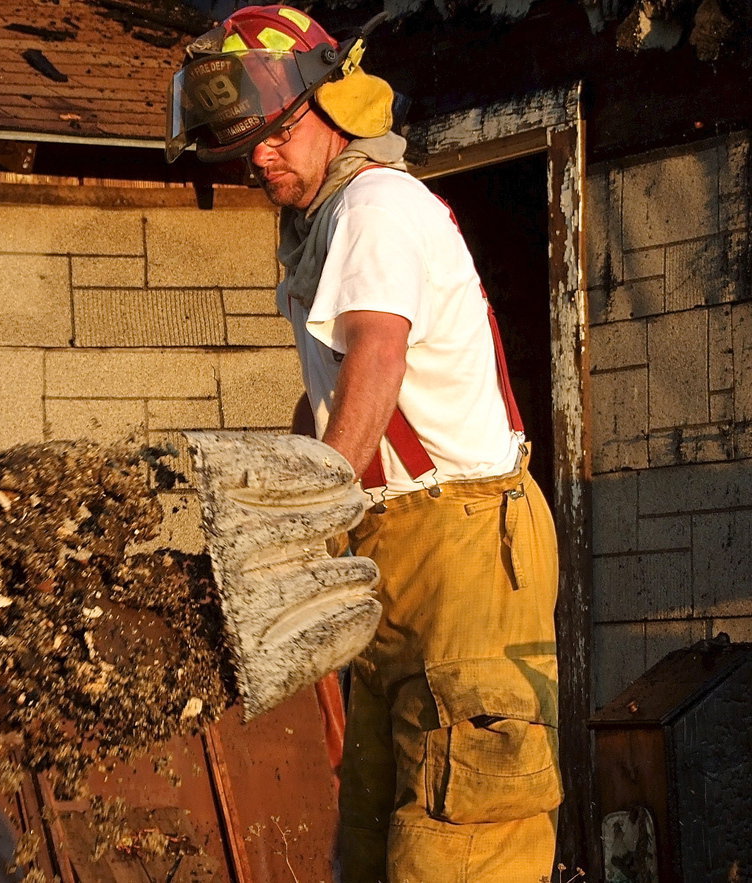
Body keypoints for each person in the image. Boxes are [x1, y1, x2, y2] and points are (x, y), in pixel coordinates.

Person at [166, 6, 562, 881]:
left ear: (333, 105)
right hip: (394, 548)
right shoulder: (324, 218)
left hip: (464, 548)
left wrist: (309, 519)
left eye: (273, 132)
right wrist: (265, 514)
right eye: (243, 144)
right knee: (375, 838)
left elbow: (378, 358)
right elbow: (335, 399)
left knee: (460, 835)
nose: (259, 155)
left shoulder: (379, 205)